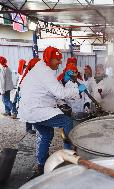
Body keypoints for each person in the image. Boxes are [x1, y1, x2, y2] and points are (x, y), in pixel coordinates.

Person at [18, 46, 87, 177]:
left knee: (46, 134)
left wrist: (64, 80)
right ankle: (69, 156)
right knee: (66, 122)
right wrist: (78, 90)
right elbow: (59, 93)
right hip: (36, 109)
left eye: (61, 59)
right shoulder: (44, 71)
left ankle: (41, 164)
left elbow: (50, 88)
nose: (60, 62)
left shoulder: (42, 69)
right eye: (57, 59)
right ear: (49, 59)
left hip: (31, 109)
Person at [17, 58, 41, 134]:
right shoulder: (28, 74)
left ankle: (36, 126)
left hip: (35, 98)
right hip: (29, 98)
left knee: (35, 113)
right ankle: (28, 128)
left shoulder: (38, 73)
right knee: (29, 111)